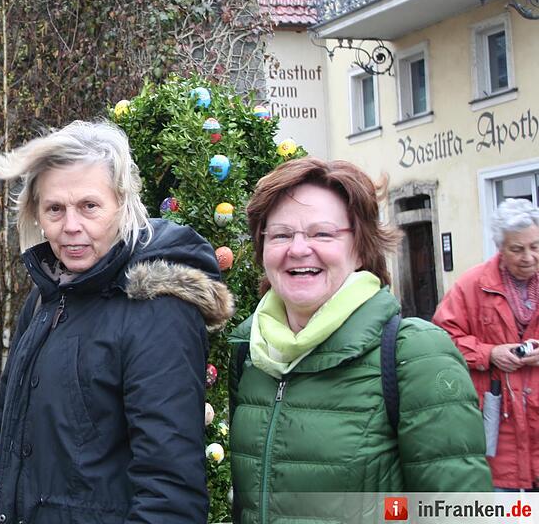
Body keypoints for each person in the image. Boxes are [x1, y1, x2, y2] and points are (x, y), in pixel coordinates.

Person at [0, 120, 233, 524]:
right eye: (55, 209)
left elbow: (169, 492)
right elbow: (4, 442)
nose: (71, 226)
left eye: (89, 206)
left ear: (123, 204)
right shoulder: (45, 298)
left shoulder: (156, 308)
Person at [229, 158, 490, 523]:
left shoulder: (413, 353)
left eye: (323, 234)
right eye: (281, 234)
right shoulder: (249, 349)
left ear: (360, 247)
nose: (299, 249)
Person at [433, 197, 539, 491]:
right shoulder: (473, 284)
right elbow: (443, 338)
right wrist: (489, 353)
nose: (528, 257)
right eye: (517, 249)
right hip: (497, 425)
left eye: (535, 246)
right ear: (500, 248)